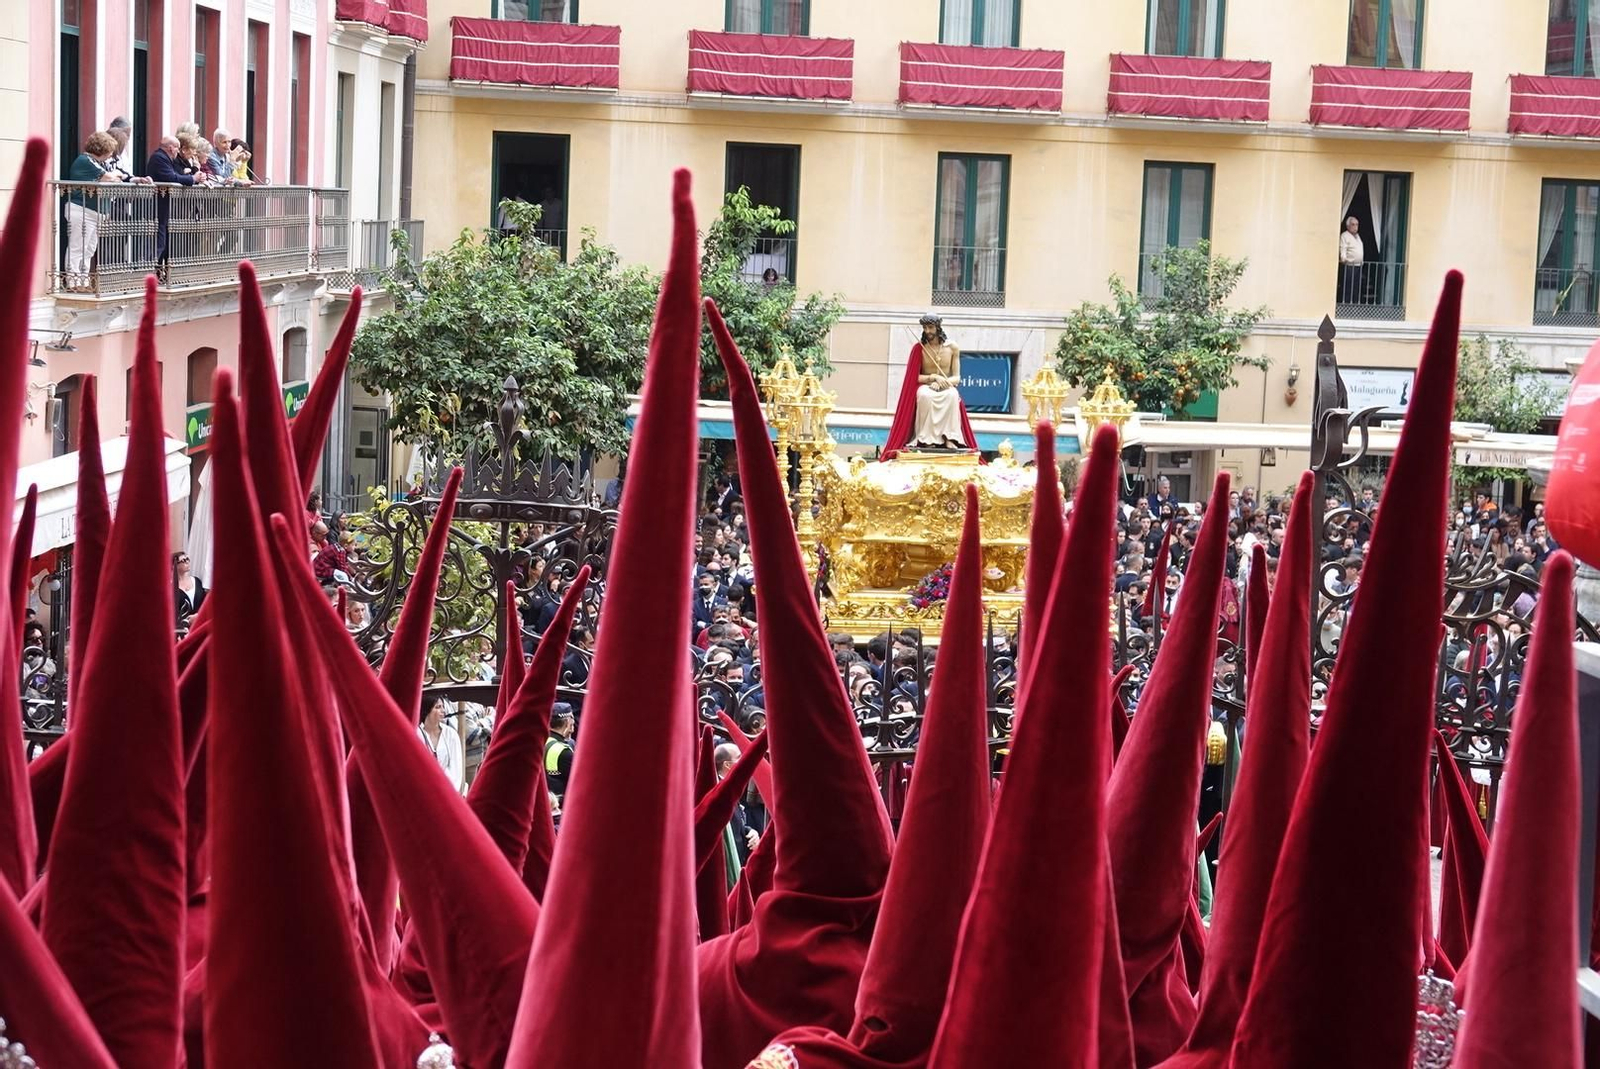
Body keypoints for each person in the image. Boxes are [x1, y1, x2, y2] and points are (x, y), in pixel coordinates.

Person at [882, 313, 977, 457]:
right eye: (925, 328)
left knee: (952, 395)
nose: (927, 331)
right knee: (925, 396)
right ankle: (926, 439)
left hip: (946, 386)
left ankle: (950, 438)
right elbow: (913, 377)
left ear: (938, 327)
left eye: (930, 327)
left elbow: (957, 378)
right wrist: (933, 378)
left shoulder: (952, 348)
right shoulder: (919, 348)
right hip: (926, 385)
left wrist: (942, 383)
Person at [63, 131, 122, 289]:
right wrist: (115, 175)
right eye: (110, 150)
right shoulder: (85, 160)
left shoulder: (100, 163)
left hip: (95, 213)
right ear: (102, 149)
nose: (111, 154)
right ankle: (73, 282)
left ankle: (84, 280)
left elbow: (114, 177)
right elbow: (109, 178)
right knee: (78, 246)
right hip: (82, 210)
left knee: (89, 249)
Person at [146, 136, 198, 280]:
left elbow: (175, 176)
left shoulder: (164, 158)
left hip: (164, 205)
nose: (177, 152)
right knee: (159, 241)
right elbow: (171, 178)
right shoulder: (159, 158)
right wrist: (193, 179)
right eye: (177, 148)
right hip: (158, 204)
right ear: (171, 148)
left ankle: (158, 274)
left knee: (163, 241)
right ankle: (150, 275)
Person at [418, 695, 465, 793]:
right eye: (438, 707)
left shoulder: (451, 734)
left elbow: (456, 769)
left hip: (448, 791)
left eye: (442, 706)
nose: (443, 710)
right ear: (427, 710)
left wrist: (445, 791)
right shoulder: (416, 734)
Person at [544, 703, 576, 799]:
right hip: (560, 805)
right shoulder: (564, 752)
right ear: (567, 722)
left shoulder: (539, 741)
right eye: (572, 719)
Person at [173, 551, 206, 624]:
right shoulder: (171, 587)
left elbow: (204, 602)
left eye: (187, 559)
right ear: (174, 565)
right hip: (180, 628)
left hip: (199, 623)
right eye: (183, 560)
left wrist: (198, 616)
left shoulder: (197, 581)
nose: (187, 562)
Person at [1339, 216, 1364, 303]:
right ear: (1348, 226)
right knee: (1348, 288)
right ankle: (1345, 307)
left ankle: (1355, 307)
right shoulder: (1345, 235)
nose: (1355, 227)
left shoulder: (1357, 236)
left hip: (1358, 266)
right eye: (1353, 224)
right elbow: (1343, 248)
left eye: (1357, 224)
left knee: (1356, 288)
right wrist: (1343, 258)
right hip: (1349, 266)